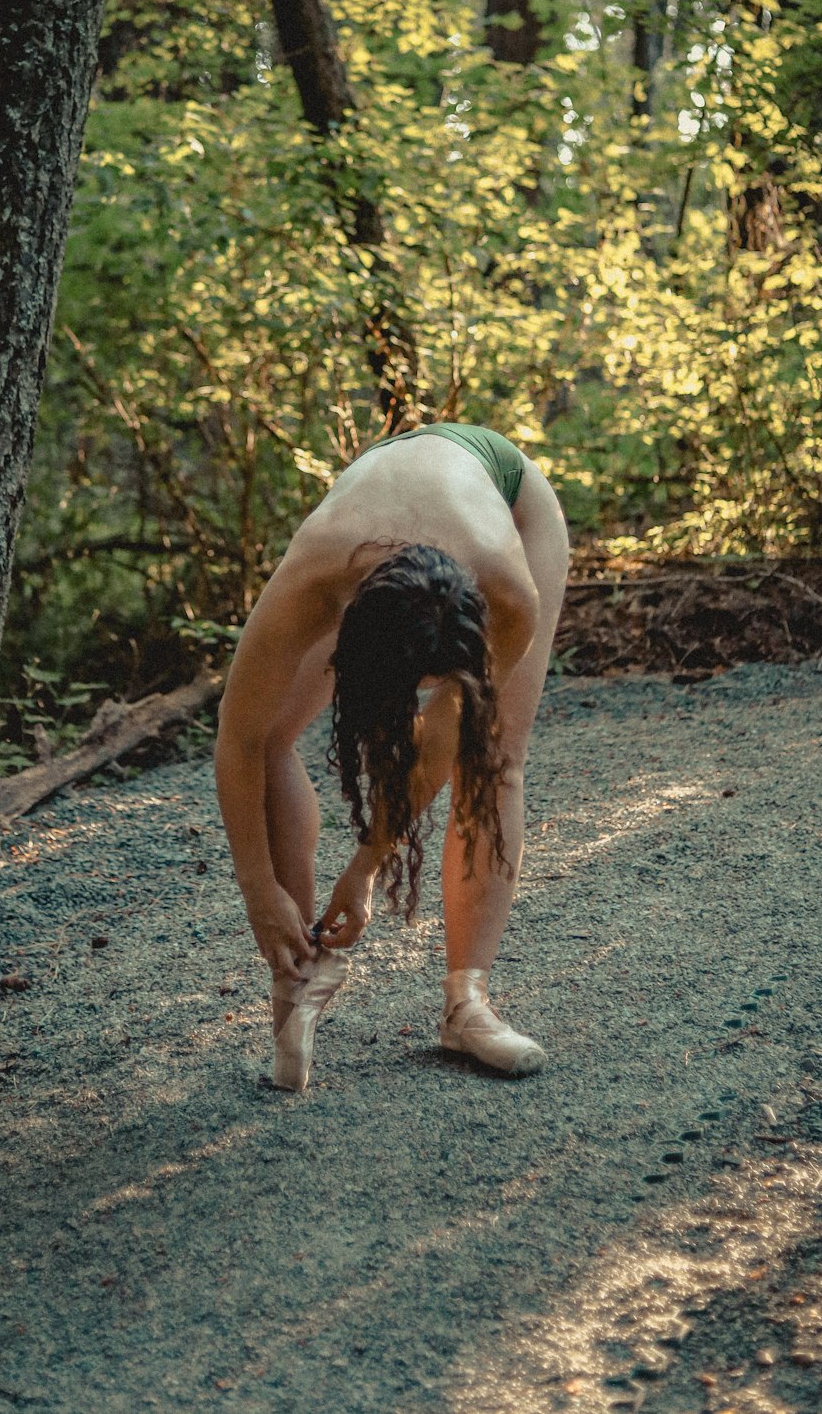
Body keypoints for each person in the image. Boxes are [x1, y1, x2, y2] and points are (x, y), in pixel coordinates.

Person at [214, 422, 569, 1089]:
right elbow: (237, 740)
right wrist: (258, 892)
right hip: (376, 532)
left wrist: (369, 865)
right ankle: (294, 986)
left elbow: (440, 739)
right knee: (272, 740)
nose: (419, 698)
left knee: (492, 758)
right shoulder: (313, 576)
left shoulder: (507, 592)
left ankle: (467, 1005)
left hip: (511, 500)